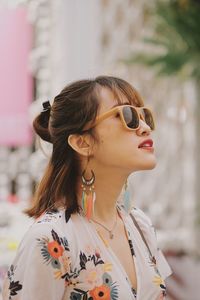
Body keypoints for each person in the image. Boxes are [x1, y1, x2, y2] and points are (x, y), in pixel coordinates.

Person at [3, 76, 172, 300]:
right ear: (82, 143)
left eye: (144, 116)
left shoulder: (139, 225)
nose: (144, 127)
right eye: (128, 116)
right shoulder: (51, 240)